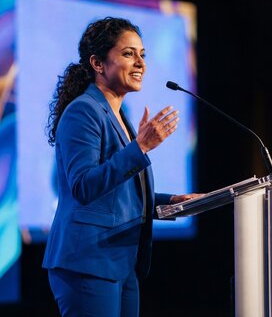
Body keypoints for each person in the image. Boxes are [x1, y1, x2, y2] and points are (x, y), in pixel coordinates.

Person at [42, 17, 201, 317]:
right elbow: (84, 186)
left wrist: (170, 203)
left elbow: (118, 196)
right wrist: (140, 147)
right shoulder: (83, 112)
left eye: (142, 54)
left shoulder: (119, 115)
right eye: (129, 54)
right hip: (88, 261)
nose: (140, 62)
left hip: (120, 261)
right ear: (98, 63)